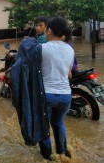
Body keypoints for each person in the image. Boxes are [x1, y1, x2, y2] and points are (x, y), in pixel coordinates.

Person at [39, 16, 74, 160]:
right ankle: (62, 151)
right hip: (66, 95)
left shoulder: (41, 48)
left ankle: (47, 156)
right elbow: (69, 73)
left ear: (49, 30)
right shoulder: (70, 49)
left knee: (43, 126)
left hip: (46, 94)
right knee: (58, 122)